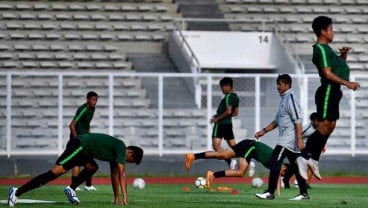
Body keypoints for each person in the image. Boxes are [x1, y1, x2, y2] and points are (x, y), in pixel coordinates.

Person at [296, 16, 360, 181]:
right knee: (324, 126)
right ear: (323, 31)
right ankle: (304, 158)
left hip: (334, 91)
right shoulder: (321, 49)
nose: (333, 32)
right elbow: (327, 73)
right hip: (328, 91)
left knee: (330, 126)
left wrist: (343, 56)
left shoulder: (327, 49)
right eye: (331, 29)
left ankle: (313, 159)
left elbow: (335, 68)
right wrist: (348, 83)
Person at [7, 133, 143, 207]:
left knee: (92, 167)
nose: (127, 163)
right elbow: (122, 173)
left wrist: (116, 198)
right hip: (79, 146)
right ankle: (16, 192)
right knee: (53, 174)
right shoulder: (121, 147)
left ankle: (71, 189)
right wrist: (126, 196)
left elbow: (114, 175)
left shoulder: (117, 154)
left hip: (84, 151)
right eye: (131, 161)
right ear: (130, 154)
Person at [255, 74, 309, 201]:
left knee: (274, 161)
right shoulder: (284, 99)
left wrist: (300, 139)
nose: (277, 86)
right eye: (277, 84)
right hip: (289, 140)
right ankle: (304, 193)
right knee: (296, 166)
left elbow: (298, 119)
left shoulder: (291, 98)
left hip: (288, 140)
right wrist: (264, 131)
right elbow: (277, 121)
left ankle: (270, 192)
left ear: (287, 85)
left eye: (280, 84)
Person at [185, 139, 273, 188]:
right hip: (250, 146)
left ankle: (193, 156)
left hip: (247, 143)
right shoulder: (279, 164)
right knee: (240, 172)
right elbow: (278, 174)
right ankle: (213, 175)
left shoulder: (277, 163)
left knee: (221, 155)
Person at [69, 91, 98, 191]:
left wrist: (90, 135)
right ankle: (74, 185)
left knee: (89, 159)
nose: (95, 102)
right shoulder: (83, 109)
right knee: (77, 162)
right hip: (78, 139)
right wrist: (76, 139)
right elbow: (72, 125)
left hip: (86, 139)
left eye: (96, 100)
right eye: (93, 99)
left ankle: (88, 185)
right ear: (88, 100)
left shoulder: (92, 109)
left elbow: (87, 123)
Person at [282, 112, 319, 189]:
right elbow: (296, 136)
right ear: (312, 121)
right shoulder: (307, 129)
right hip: (298, 148)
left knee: (312, 164)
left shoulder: (320, 128)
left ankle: (305, 183)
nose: (319, 122)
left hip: (308, 149)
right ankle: (289, 178)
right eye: (317, 121)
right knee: (298, 165)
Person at [208, 77, 239, 166]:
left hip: (220, 124)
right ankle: (248, 160)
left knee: (215, 146)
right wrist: (226, 117)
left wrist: (217, 118)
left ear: (227, 86)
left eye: (222, 87)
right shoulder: (235, 96)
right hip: (228, 124)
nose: (222, 89)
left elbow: (228, 111)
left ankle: (230, 161)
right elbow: (235, 113)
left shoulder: (228, 96)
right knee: (235, 148)